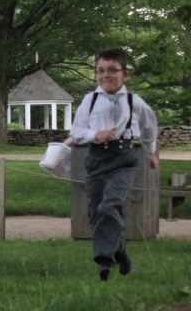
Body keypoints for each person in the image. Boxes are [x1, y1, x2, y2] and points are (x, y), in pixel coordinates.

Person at [70, 48, 159, 281]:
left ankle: (103, 260)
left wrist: (151, 152)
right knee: (96, 212)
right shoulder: (90, 101)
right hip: (97, 159)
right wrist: (95, 135)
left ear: (124, 74)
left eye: (112, 70)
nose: (105, 75)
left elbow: (150, 127)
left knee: (110, 204)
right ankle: (119, 250)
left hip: (124, 159)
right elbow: (77, 132)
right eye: (100, 70)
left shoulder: (134, 102)